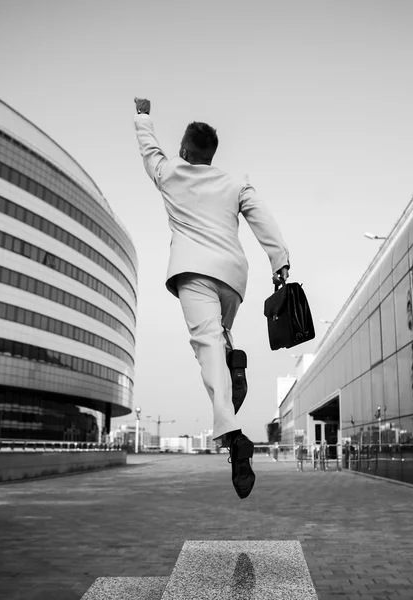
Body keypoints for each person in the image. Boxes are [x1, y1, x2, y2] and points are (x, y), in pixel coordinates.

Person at [133, 97, 290, 499]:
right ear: (211, 154)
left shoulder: (170, 172)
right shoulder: (235, 181)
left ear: (184, 151)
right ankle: (233, 362)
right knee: (218, 338)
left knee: (207, 346)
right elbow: (262, 217)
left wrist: (144, 115)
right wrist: (280, 260)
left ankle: (235, 438)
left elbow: (149, 149)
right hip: (233, 277)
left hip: (194, 273)